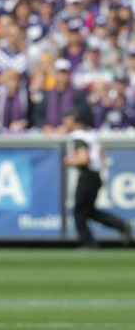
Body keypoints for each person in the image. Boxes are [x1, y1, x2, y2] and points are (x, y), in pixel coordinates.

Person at [63, 100, 131, 249]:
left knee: (80, 213)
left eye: (68, 117)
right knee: (90, 212)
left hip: (87, 176)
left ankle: (89, 243)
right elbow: (102, 153)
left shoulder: (78, 136)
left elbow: (83, 158)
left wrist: (69, 161)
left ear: (75, 119)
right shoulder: (90, 134)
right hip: (96, 175)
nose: (65, 120)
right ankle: (121, 225)